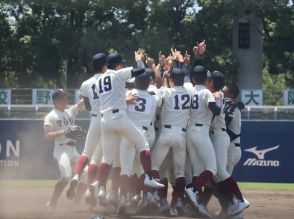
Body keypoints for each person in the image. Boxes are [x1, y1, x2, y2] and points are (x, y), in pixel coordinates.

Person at [94, 50, 164, 206]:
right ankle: (147, 177)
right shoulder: (117, 74)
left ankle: (100, 188)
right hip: (119, 117)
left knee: (107, 159)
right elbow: (139, 71)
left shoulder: (98, 81)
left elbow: (112, 94)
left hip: (104, 120)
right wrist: (139, 60)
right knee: (143, 145)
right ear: (117, 65)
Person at [207, 72, 249, 216]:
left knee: (221, 181)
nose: (222, 92)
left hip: (231, 148)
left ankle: (237, 210)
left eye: (224, 91)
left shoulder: (232, 105)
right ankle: (227, 209)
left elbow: (227, 124)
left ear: (230, 93)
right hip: (230, 147)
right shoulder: (231, 103)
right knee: (217, 182)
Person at [151, 67, 191, 217]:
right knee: (180, 173)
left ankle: (158, 199)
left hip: (166, 133)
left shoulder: (166, 91)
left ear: (171, 80)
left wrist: (163, 81)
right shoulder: (189, 91)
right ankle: (178, 201)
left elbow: (155, 102)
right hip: (181, 134)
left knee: (154, 166)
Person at [66, 53, 104, 201]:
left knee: (86, 153)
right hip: (108, 119)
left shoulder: (86, 84)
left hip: (94, 119)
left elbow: (87, 106)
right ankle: (96, 186)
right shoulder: (111, 79)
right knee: (104, 160)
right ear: (105, 65)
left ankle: (76, 176)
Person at [185, 65, 220, 218]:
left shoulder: (190, 90)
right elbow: (216, 111)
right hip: (201, 132)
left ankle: (197, 205)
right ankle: (193, 189)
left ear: (193, 78)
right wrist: (218, 100)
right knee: (212, 169)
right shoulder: (206, 92)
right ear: (206, 79)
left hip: (189, 131)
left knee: (197, 170)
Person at [44, 89, 84, 210]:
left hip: (73, 150)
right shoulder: (51, 116)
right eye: (63, 98)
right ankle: (52, 202)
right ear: (56, 101)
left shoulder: (69, 112)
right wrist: (64, 132)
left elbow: (80, 103)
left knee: (88, 173)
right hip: (61, 150)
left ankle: (75, 197)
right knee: (66, 177)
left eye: (66, 97)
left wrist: (93, 90)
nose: (66, 99)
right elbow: (48, 136)